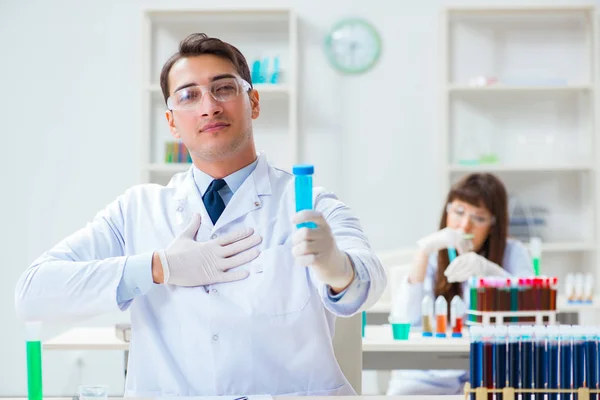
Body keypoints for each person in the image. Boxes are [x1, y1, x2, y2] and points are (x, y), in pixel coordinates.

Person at [15, 33, 386, 396]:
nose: (209, 106)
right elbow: (33, 293)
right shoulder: (136, 210)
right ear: (172, 121)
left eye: (224, 88)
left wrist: (335, 265)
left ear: (253, 102)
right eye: (189, 96)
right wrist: (158, 267)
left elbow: (366, 287)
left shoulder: (311, 203)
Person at [386, 173, 533, 395]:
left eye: (479, 218)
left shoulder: (513, 253)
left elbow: (534, 308)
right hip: (428, 376)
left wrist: (491, 273)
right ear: (447, 211)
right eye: (459, 212)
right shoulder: (434, 257)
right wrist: (423, 252)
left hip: (490, 375)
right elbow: (406, 322)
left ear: (494, 224)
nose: (464, 226)